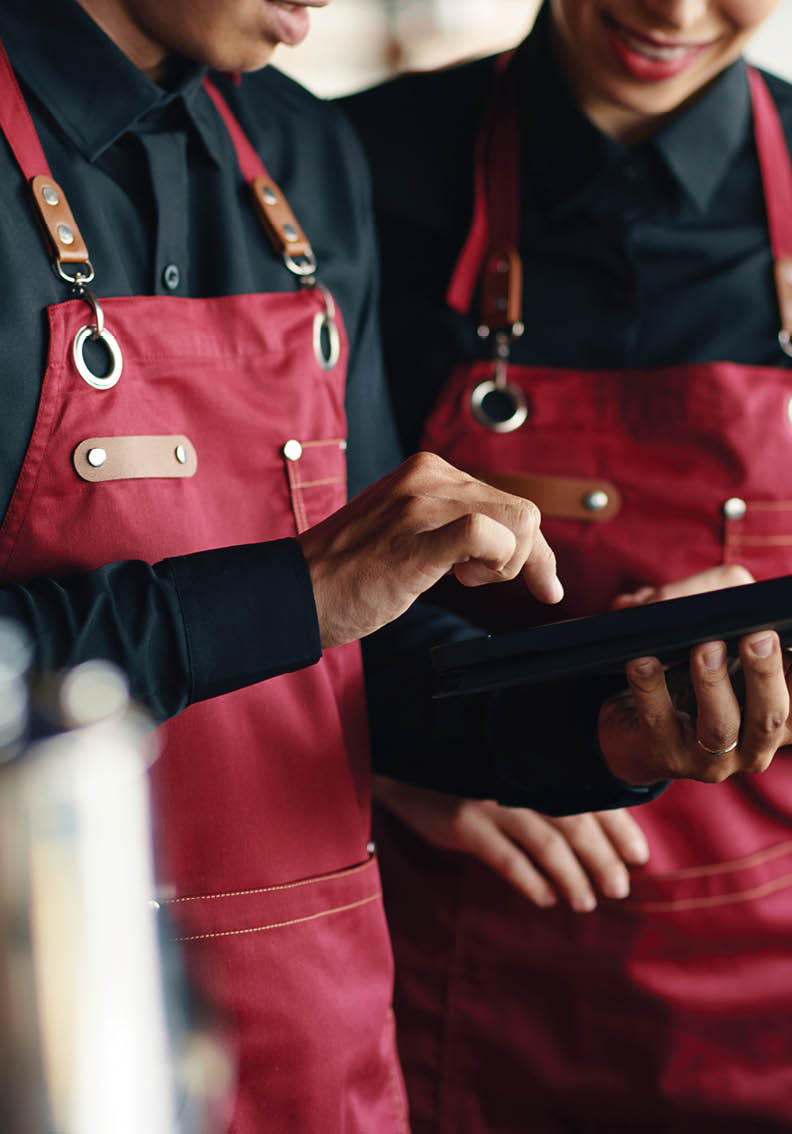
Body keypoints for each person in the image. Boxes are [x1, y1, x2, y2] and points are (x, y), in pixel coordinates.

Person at [1, 1, 790, 1131]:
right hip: (51, 1041)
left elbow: (382, 657)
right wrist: (297, 595)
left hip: (324, 1046)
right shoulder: (379, 149)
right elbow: (320, 609)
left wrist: (609, 729)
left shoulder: (303, 152)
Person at [342, 0, 792, 1129]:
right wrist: (382, 759)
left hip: (767, 971)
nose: (678, 12)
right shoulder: (345, 163)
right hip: (453, 956)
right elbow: (258, 552)